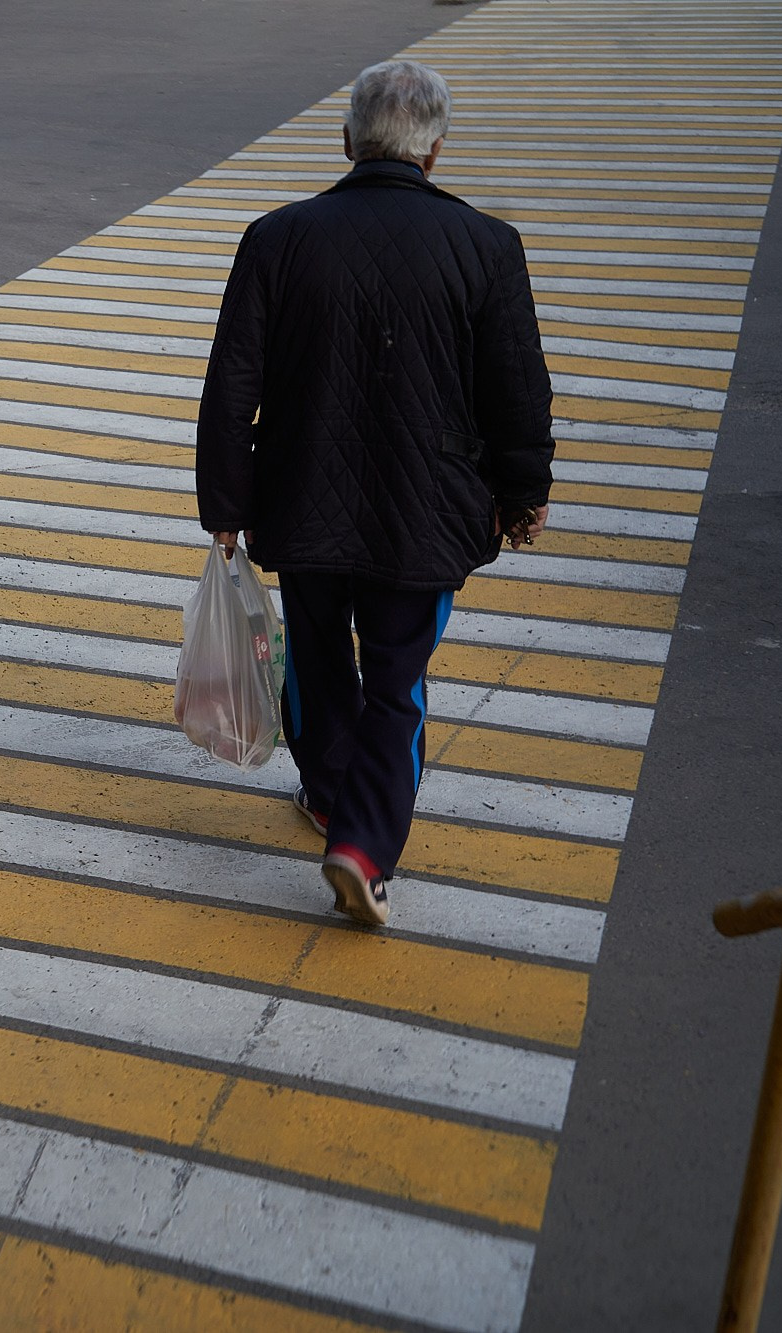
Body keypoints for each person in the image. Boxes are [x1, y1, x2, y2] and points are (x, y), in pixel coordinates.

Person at [196, 59, 554, 927]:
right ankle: (360, 848)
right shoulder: (486, 246)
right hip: (425, 515)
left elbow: (230, 383)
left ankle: (328, 794)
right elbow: (517, 389)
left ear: (348, 140)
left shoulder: (277, 237)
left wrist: (225, 508)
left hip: (300, 498)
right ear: (435, 151)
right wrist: (522, 493)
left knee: (317, 659)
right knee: (399, 683)